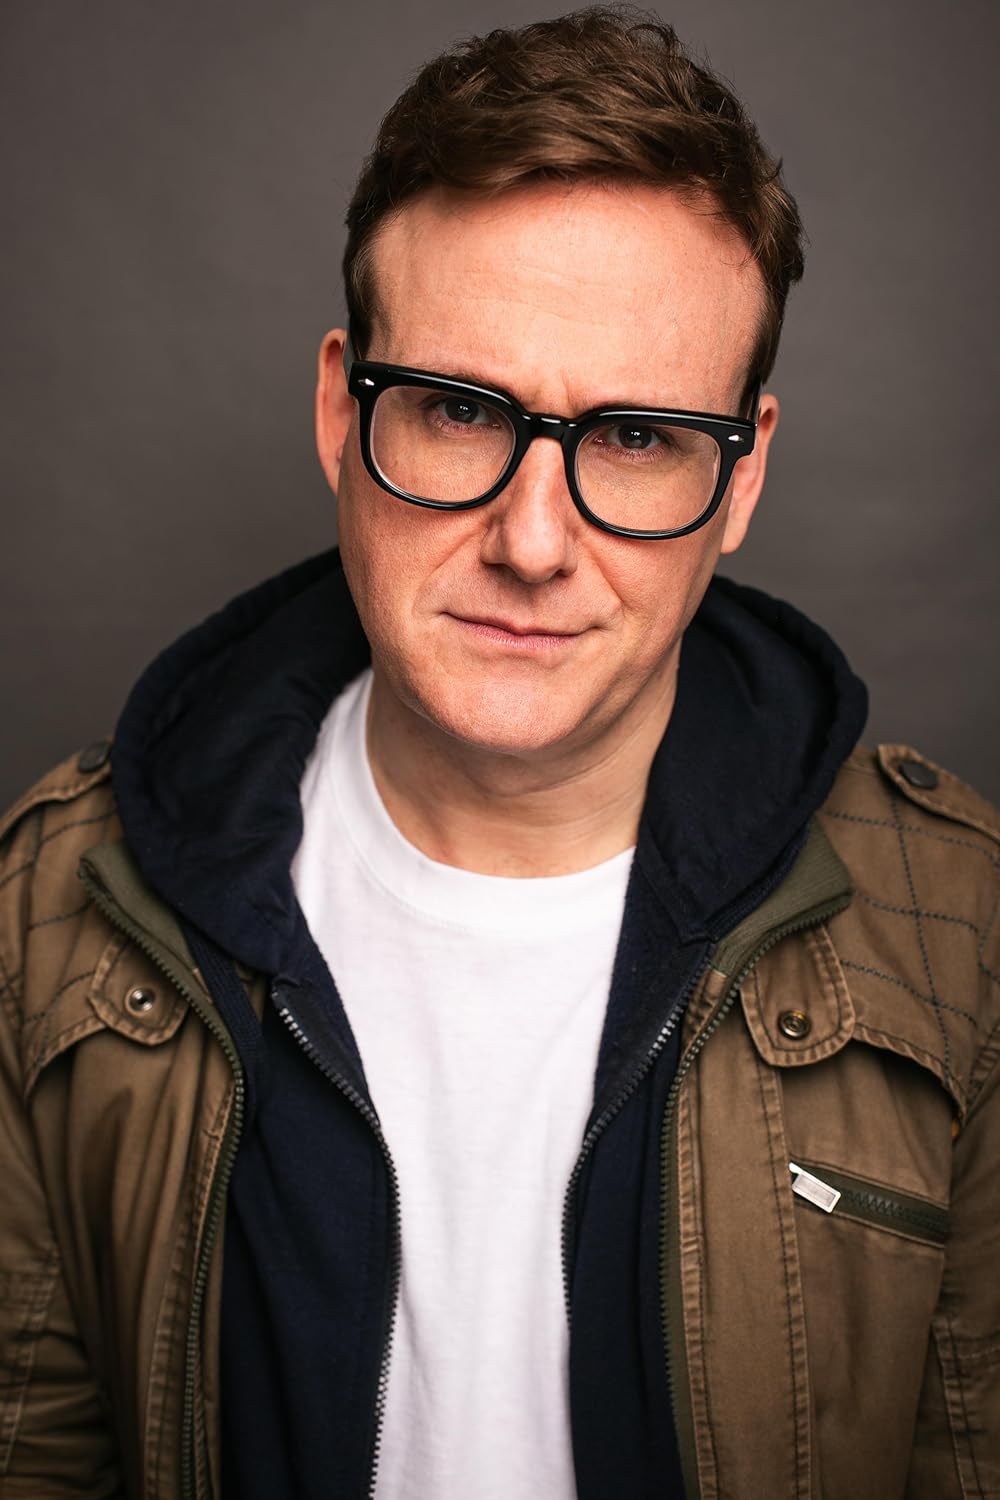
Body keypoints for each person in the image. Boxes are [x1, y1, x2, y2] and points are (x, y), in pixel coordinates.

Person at [1, 7, 997, 1498]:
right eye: (462, 412)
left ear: (743, 477)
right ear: (340, 409)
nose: (534, 543)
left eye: (639, 438)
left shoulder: (967, 934)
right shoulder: (45, 913)